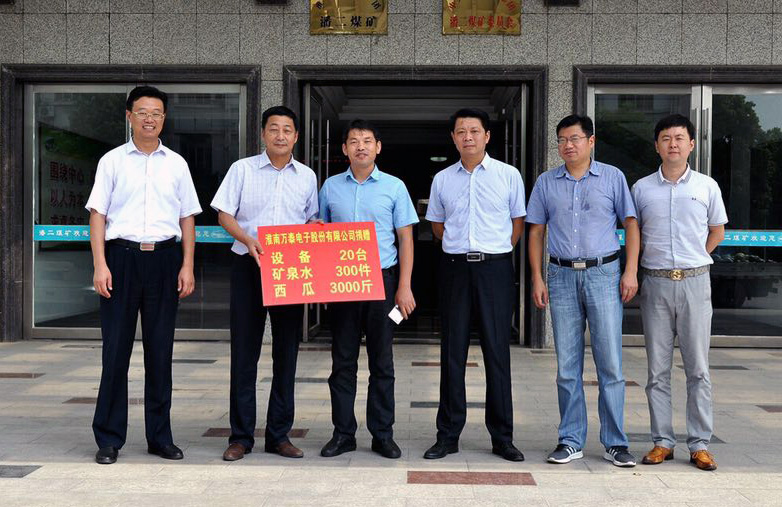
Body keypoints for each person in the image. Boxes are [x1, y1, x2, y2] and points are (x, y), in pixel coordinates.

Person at [87, 86, 202, 465]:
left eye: (156, 113)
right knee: (115, 352)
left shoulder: (177, 164)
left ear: (164, 118)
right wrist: (100, 264)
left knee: (160, 351)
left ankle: (160, 437)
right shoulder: (112, 161)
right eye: (142, 112)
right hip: (120, 259)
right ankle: (109, 438)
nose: (149, 119)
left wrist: (187, 265)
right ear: (129, 116)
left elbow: (187, 218)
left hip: (165, 260)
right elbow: (98, 215)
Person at [527, 114, 640, 467]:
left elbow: (631, 223)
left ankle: (615, 442)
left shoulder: (613, 177)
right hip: (560, 275)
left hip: (603, 274)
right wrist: (537, 277)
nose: (568, 145)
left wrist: (631, 271)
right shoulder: (546, 182)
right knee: (567, 365)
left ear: (591, 141)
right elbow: (535, 231)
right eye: (562, 139)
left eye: (574, 138)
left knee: (610, 364)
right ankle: (570, 439)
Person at [211, 106, 318, 461]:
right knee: (245, 353)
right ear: (263, 134)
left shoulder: (307, 176)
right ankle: (240, 437)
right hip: (248, 264)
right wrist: (246, 238)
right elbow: (224, 214)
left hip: (290, 270)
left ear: (296, 136)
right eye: (274, 129)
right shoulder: (241, 169)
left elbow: (310, 219)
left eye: (287, 129)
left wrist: (314, 229)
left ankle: (279, 435)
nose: (280, 135)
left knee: (286, 353)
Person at [423, 108, 526, 462]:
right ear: (453, 138)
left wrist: (495, 252)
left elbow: (517, 223)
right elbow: (437, 226)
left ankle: (502, 437)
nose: (468, 137)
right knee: (452, 352)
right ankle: (448, 435)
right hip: (454, 269)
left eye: (474, 131)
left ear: (487, 136)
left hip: (495, 269)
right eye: (461, 132)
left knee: (497, 352)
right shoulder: (442, 179)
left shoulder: (508, 175)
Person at [318, 119, 418, 459]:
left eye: (367, 140)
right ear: (344, 149)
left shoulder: (394, 187)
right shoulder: (330, 187)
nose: (360, 146)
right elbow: (319, 232)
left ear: (378, 147)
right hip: (343, 283)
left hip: (383, 282)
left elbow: (406, 238)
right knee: (342, 362)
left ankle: (382, 434)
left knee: (382, 362)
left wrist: (404, 286)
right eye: (353, 141)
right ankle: (343, 433)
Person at [633, 114, 727, 471]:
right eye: (666, 138)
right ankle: (662, 442)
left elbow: (717, 230)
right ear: (656, 145)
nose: (673, 144)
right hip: (655, 283)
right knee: (657, 370)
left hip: (694, 282)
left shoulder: (707, 186)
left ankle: (700, 443)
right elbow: (635, 233)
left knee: (698, 369)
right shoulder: (641, 189)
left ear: (691, 144)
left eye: (679, 138)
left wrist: (696, 257)